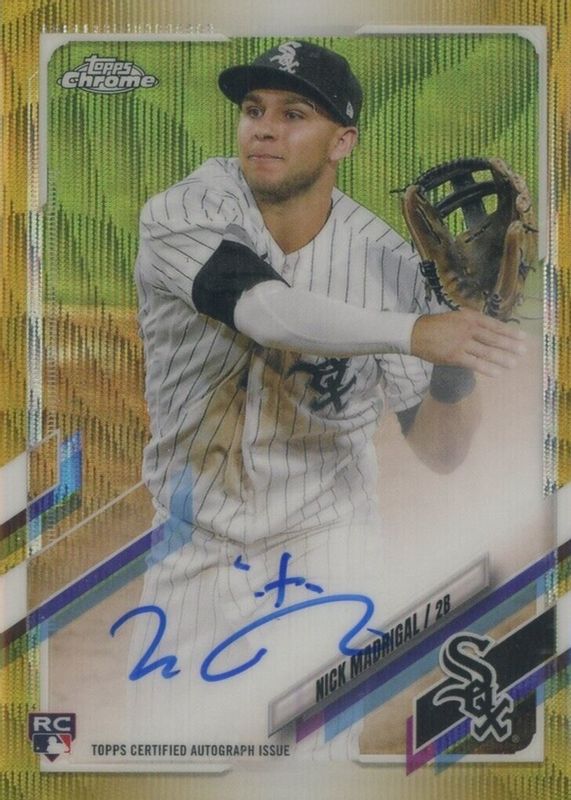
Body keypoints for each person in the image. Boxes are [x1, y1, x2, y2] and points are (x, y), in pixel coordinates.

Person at [128, 40, 526, 762]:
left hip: (327, 556)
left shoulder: (387, 263)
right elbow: (263, 310)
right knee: (176, 766)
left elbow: (440, 450)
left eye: (293, 114)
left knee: (309, 774)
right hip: (195, 549)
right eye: (253, 110)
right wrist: (419, 331)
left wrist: (457, 355)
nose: (263, 129)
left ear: (343, 141)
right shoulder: (187, 209)